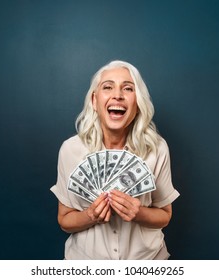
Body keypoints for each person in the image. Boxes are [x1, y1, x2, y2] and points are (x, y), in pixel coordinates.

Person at [50, 60, 180, 259]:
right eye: (108, 87)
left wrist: (139, 213)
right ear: (94, 101)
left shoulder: (157, 149)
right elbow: (64, 220)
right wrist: (90, 216)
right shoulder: (71, 150)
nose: (117, 95)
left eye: (128, 88)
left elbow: (165, 215)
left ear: (138, 103)